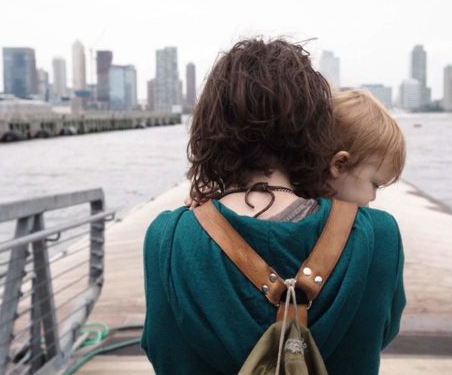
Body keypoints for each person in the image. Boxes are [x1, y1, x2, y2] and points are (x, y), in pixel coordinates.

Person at [141, 38, 405, 374]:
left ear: (209, 125)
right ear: (318, 127)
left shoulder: (166, 238)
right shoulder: (380, 237)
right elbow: (381, 333)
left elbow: (160, 347)